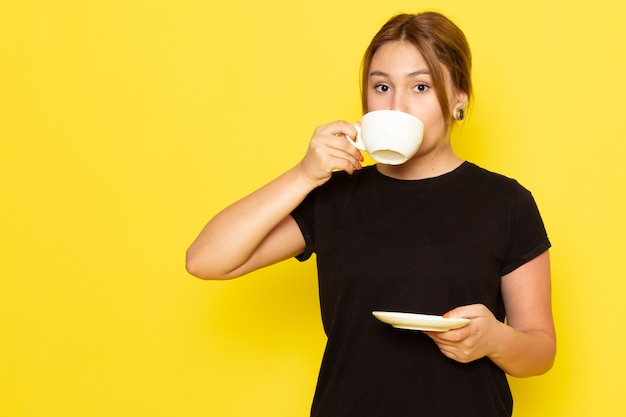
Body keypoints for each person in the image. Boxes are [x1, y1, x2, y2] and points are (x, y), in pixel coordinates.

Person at [186, 11, 556, 417]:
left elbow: (540, 350)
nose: (397, 106)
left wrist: (494, 340)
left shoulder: (506, 203)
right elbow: (206, 260)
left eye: (420, 86)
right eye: (382, 86)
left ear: (459, 99)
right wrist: (303, 174)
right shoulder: (334, 195)